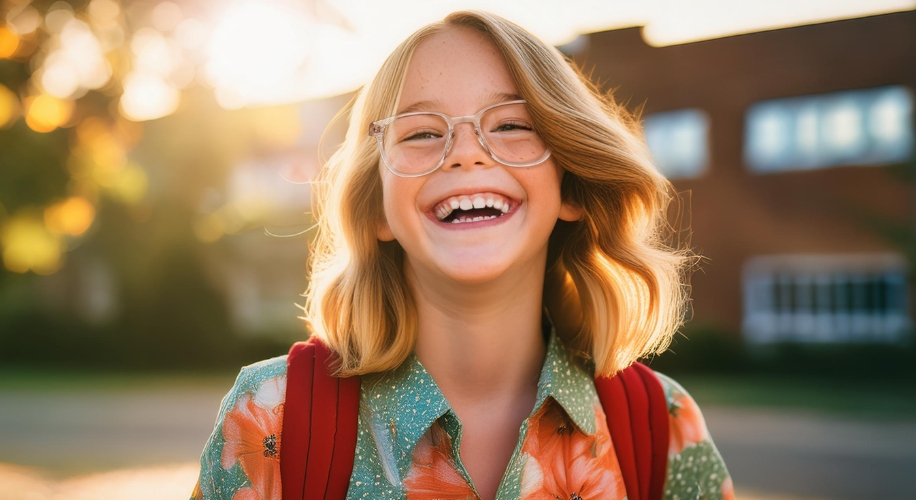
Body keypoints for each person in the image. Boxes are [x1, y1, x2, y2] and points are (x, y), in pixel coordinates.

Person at [192, 10, 733, 500]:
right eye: (423, 132)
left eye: (513, 124)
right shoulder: (271, 418)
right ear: (377, 209)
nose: (467, 153)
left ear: (571, 189)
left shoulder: (662, 428)